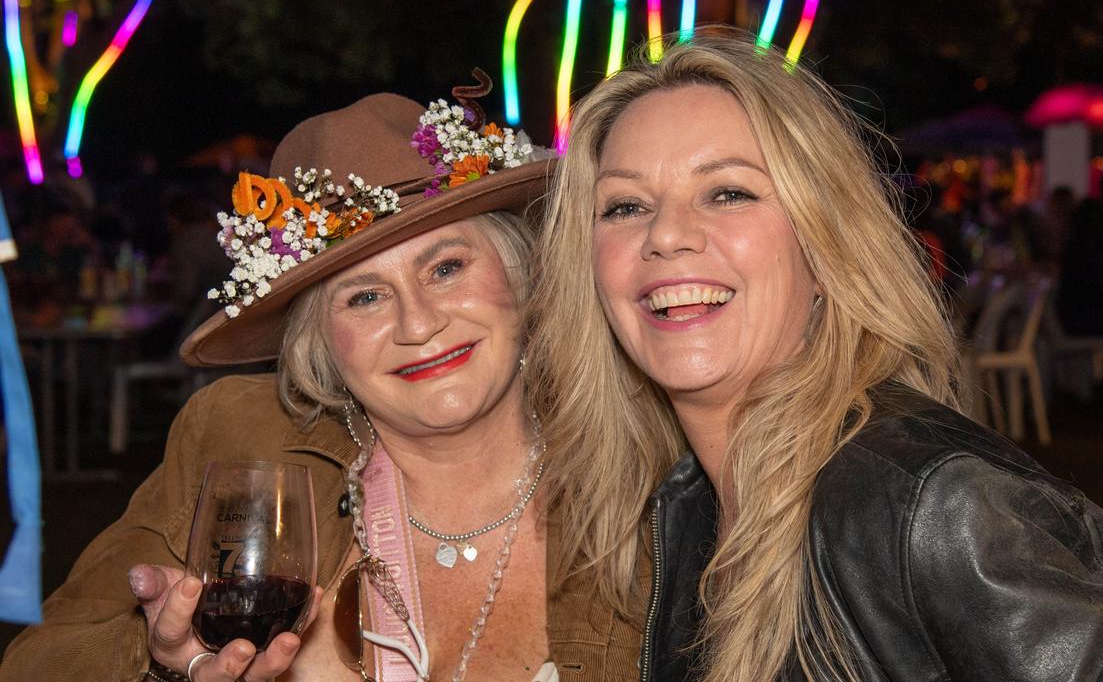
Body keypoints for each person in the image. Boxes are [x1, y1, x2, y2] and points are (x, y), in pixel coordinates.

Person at [525, 30, 1103, 682]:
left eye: (728, 192)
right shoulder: (683, 506)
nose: (666, 236)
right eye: (624, 207)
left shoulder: (925, 503)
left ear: (825, 242)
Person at [1, 92, 641, 681]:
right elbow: (42, 660)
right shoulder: (241, 439)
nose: (418, 323)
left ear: (521, 277)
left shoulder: (647, 459)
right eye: (364, 296)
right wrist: (164, 668)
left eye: (446, 267)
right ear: (320, 344)